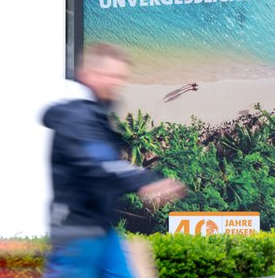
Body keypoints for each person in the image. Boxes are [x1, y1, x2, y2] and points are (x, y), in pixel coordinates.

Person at [42, 43, 186, 278]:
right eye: (110, 76)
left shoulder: (95, 115)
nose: (117, 83)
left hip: (102, 229)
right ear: (88, 75)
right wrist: (145, 180)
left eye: (121, 77)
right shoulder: (76, 117)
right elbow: (101, 167)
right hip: (77, 234)